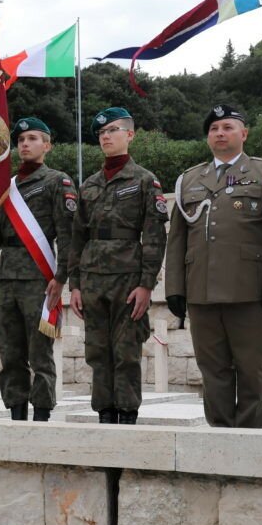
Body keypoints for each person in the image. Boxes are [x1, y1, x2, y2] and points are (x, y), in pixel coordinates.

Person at [164, 105, 262, 428]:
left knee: (251, 367)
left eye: (227, 127)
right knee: (212, 369)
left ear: (244, 134)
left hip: (248, 290)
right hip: (201, 291)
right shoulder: (189, 180)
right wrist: (175, 289)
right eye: (214, 129)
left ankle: (250, 435)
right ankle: (220, 434)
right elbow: (178, 239)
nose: (220, 133)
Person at [68, 108, 167, 424]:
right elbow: (77, 237)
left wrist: (146, 284)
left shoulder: (144, 180)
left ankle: (127, 415)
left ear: (130, 135)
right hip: (93, 280)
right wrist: (75, 284)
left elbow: (154, 236)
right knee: (97, 352)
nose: (106, 137)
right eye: (101, 133)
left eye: (112, 130)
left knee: (126, 352)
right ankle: (105, 415)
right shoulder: (90, 185)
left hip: (127, 279)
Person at [0, 117, 76, 421]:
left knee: (40, 353)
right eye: (21, 139)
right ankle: (16, 411)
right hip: (7, 277)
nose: (25, 144)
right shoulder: (4, 187)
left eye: (33, 138)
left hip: (39, 277)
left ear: (47, 145)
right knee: (10, 352)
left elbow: (67, 233)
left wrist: (61, 278)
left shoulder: (56, 181)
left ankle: (42, 413)